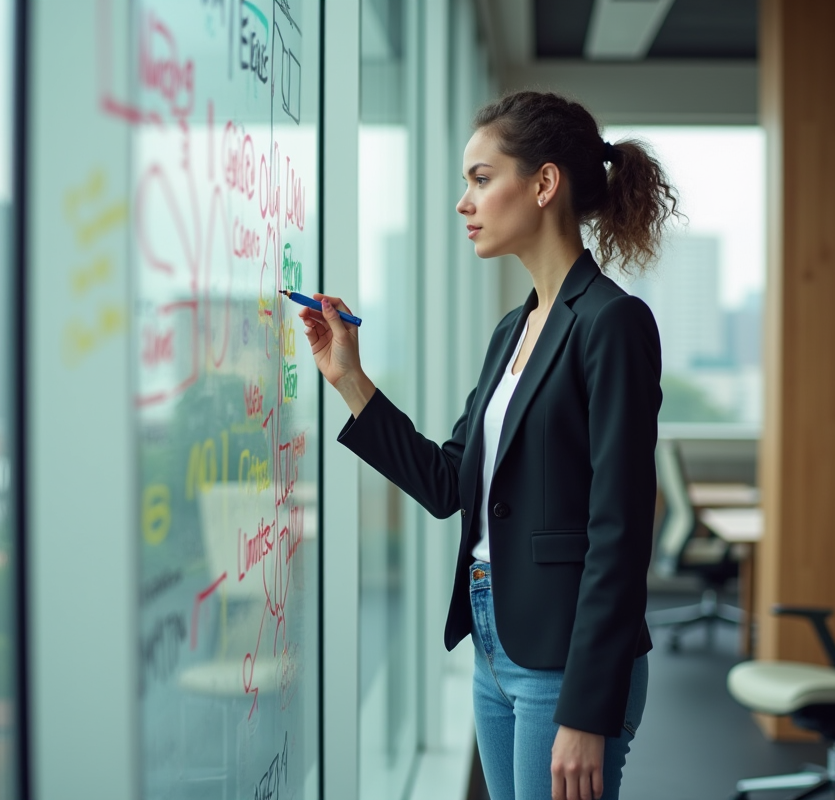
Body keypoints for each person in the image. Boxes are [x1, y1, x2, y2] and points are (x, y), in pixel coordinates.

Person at [297, 90, 678, 800]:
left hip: (566, 658)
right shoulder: (515, 329)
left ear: (543, 184)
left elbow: (620, 531)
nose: (462, 202)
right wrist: (351, 382)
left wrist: (588, 709)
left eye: (479, 178)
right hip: (493, 639)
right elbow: (449, 484)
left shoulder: (612, 323)